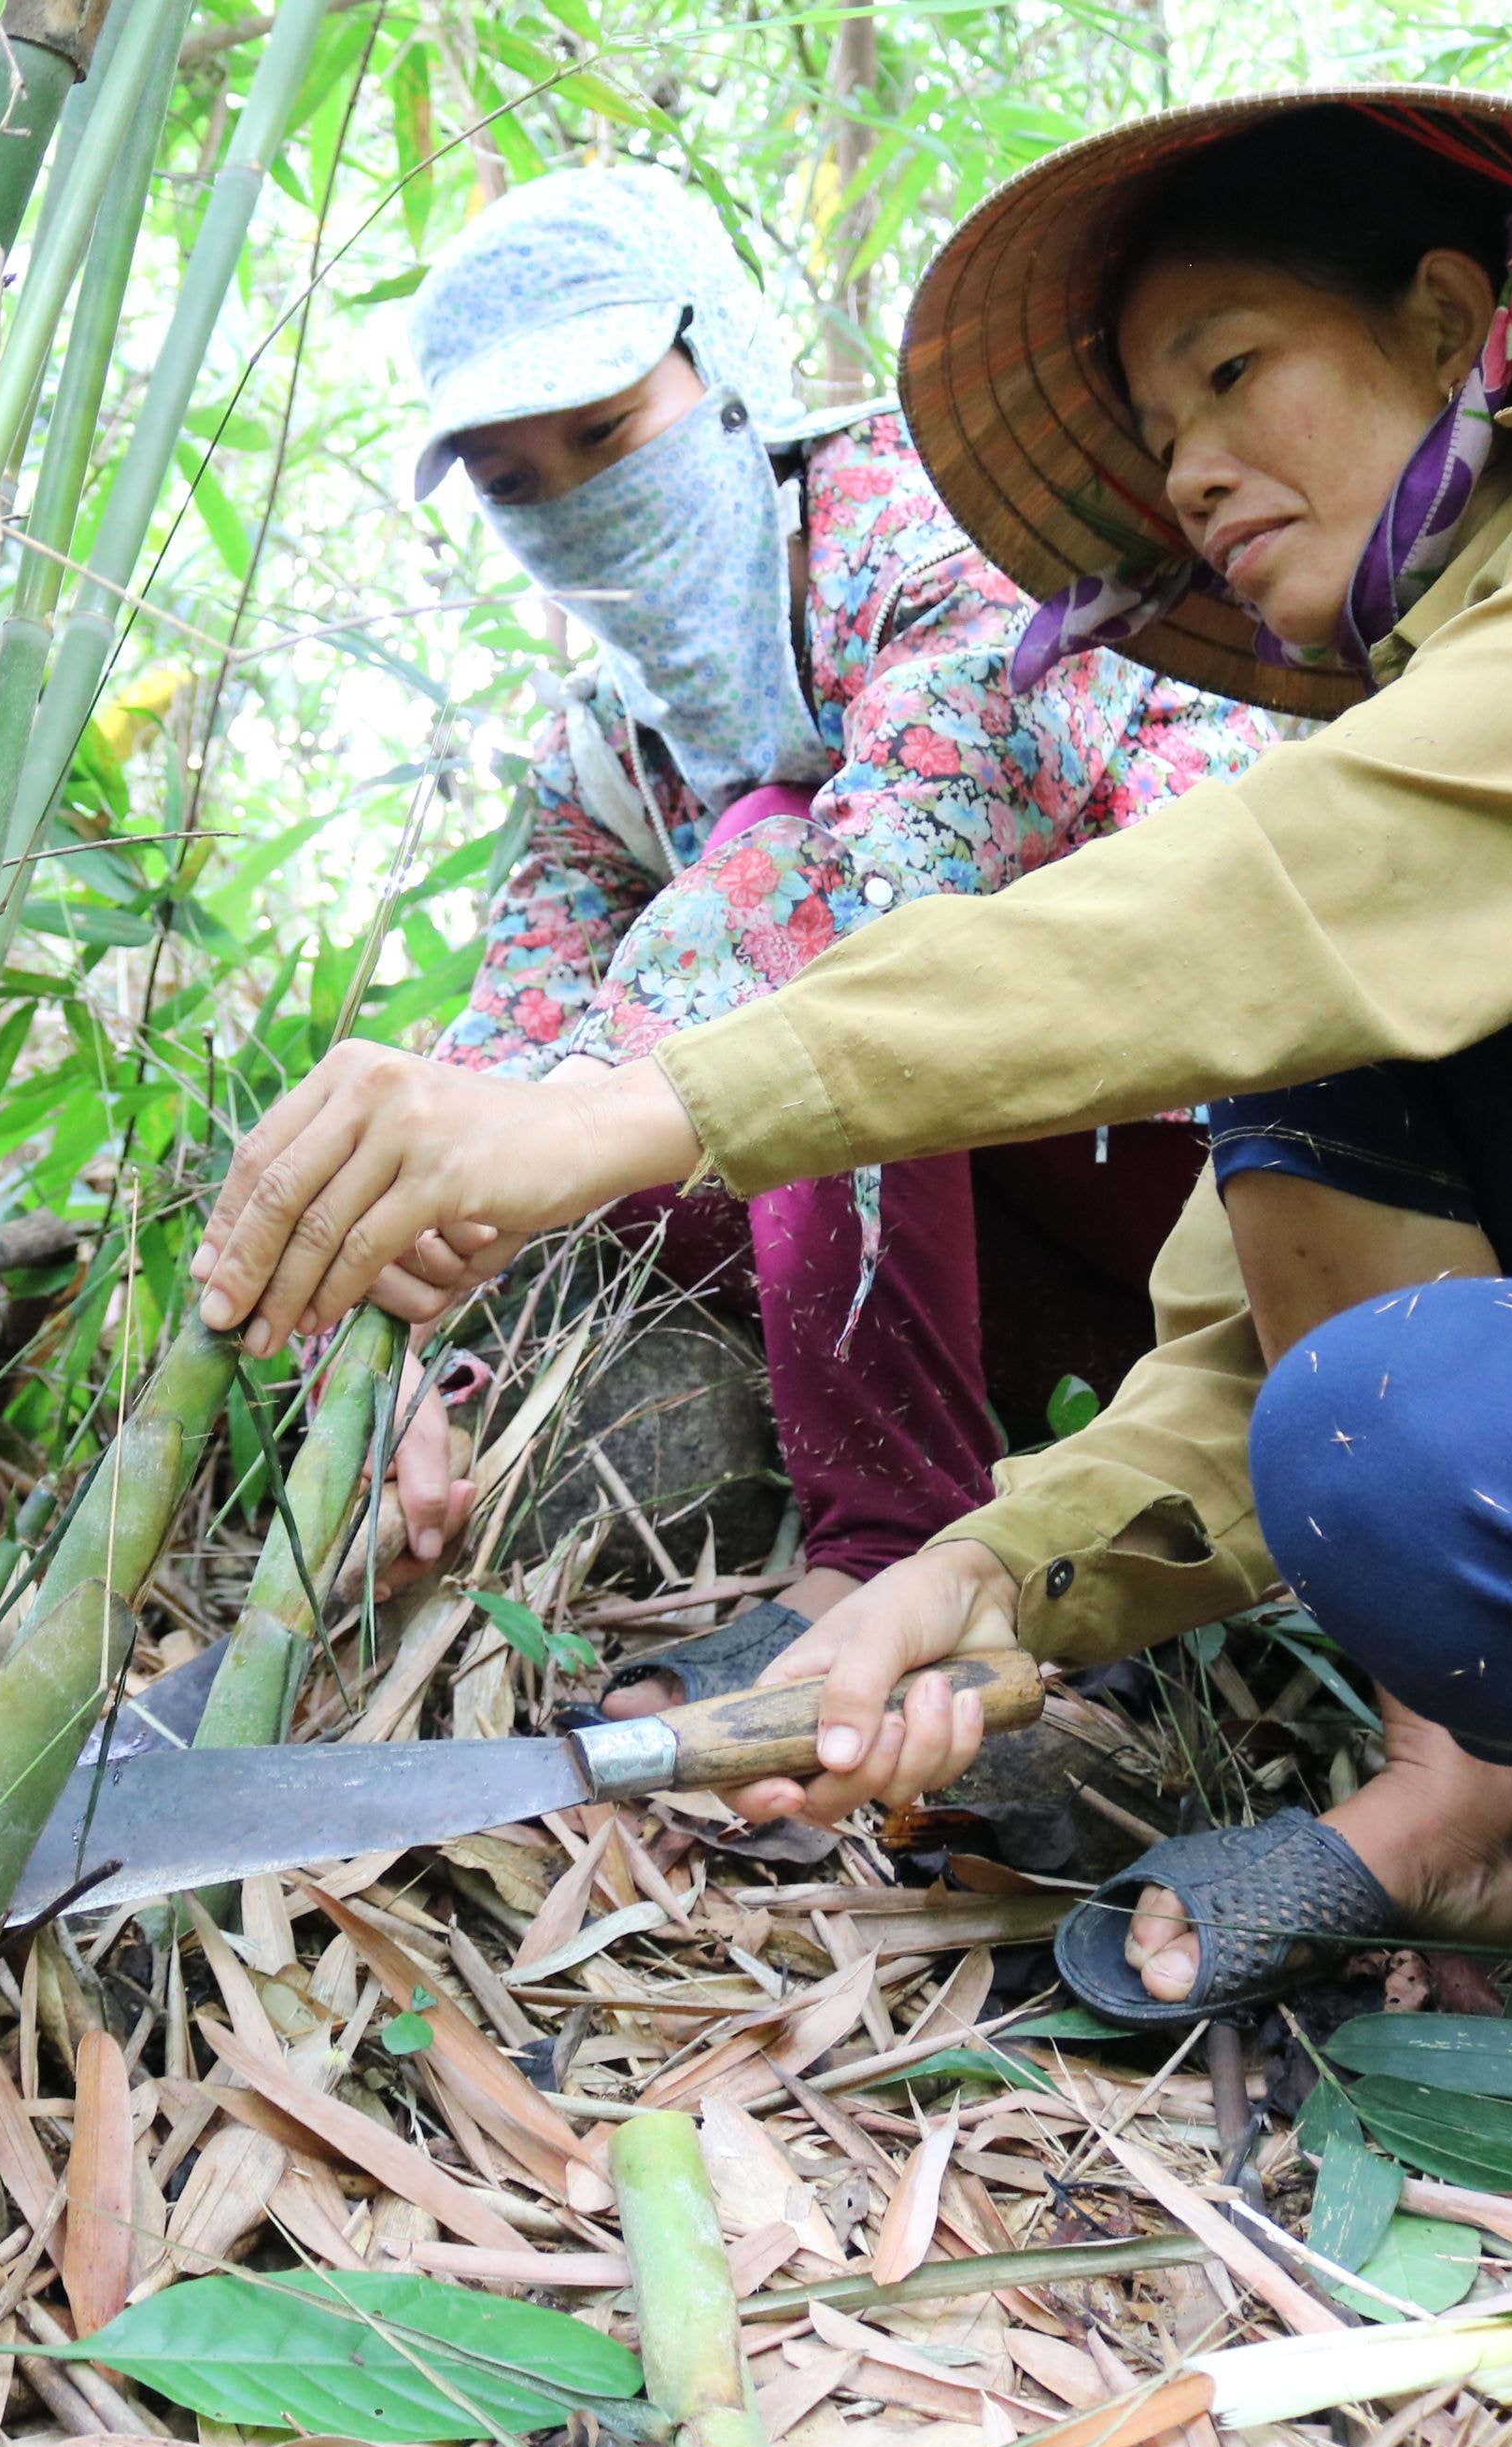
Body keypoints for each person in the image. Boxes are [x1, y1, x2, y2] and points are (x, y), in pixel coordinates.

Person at [191, 92, 1512, 2171]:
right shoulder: (1412, 776)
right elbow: (1242, 1360)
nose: (1190, 466)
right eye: (1158, 421)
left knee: (1380, 1390)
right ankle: (1476, 1807)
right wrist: (975, 1584)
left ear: (1452, 317)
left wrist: (620, 1114)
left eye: (1233, 371)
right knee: (1329, 1218)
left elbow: (1250, 917)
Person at [380, 165, 1272, 1640]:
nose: (582, 506)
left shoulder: (935, 526)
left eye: (608, 435)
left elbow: (925, 839)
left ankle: (877, 1558)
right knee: (618, 1133)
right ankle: (990, 1500)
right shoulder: (605, 754)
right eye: (517, 483)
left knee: (781, 864)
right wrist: (411, 1343)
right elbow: (503, 1048)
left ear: (724, 367)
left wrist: (595, 1090)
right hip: (1054, 1309)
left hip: (1240, 1192)